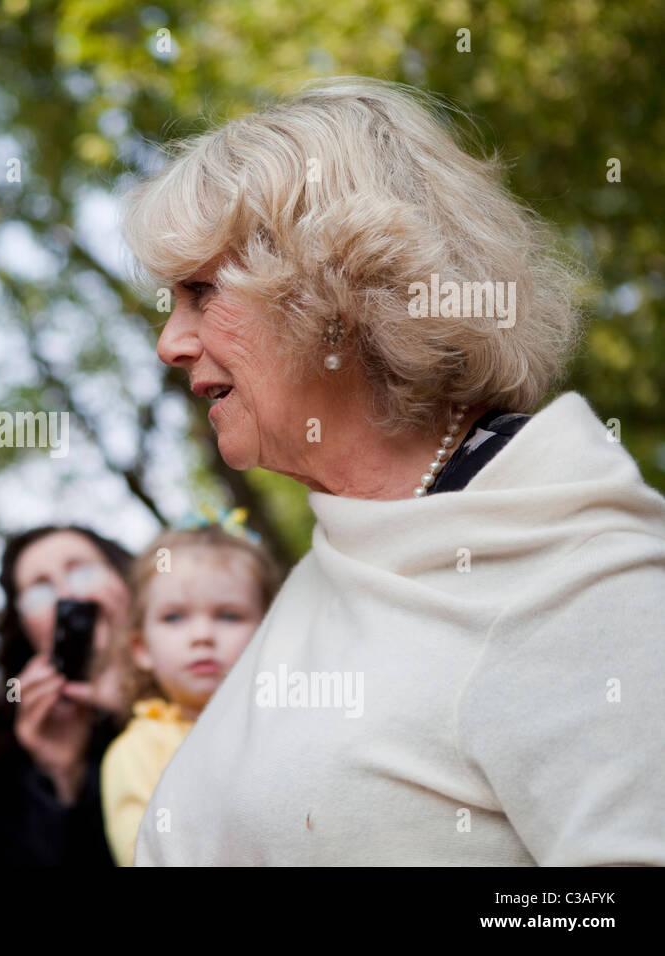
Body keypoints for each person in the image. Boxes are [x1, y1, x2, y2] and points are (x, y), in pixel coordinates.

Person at [120, 77, 665, 865]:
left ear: (339, 291)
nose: (170, 342)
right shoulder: (348, 548)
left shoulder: (580, 574)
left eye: (202, 291)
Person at [100, 523, 281, 866]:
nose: (202, 635)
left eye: (229, 615)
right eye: (174, 617)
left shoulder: (295, 725)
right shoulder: (137, 751)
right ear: (141, 648)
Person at [0, 525, 132, 866]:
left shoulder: (201, 665)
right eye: (39, 591)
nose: (67, 595)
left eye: (84, 573)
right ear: (24, 627)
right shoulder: (13, 743)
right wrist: (62, 778)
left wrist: (138, 704)